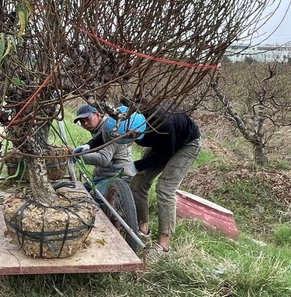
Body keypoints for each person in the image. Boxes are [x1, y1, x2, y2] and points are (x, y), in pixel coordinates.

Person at [125, 105, 202, 253]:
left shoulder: (162, 123)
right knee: (138, 182)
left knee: (165, 188)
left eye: (132, 136)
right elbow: (105, 137)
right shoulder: (127, 120)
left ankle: (163, 246)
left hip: (187, 144)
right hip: (163, 141)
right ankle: (143, 231)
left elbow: (166, 153)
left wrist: (138, 165)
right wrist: (88, 146)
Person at [71, 104, 135, 196]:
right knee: (76, 191)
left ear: (97, 114)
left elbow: (104, 159)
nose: (85, 123)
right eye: (82, 121)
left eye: (87, 119)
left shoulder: (110, 127)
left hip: (116, 176)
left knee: (94, 197)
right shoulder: (98, 129)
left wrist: (79, 156)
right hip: (101, 176)